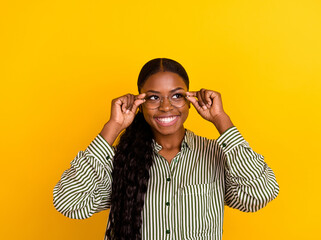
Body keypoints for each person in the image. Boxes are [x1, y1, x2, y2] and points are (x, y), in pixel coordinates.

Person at [53, 58, 280, 240]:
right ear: (140, 103)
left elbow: (258, 195)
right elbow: (70, 203)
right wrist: (112, 127)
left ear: (191, 99)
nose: (166, 106)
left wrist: (222, 120)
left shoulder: (217, 155)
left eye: (177, 95)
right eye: (153, 97)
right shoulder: (121, 161)